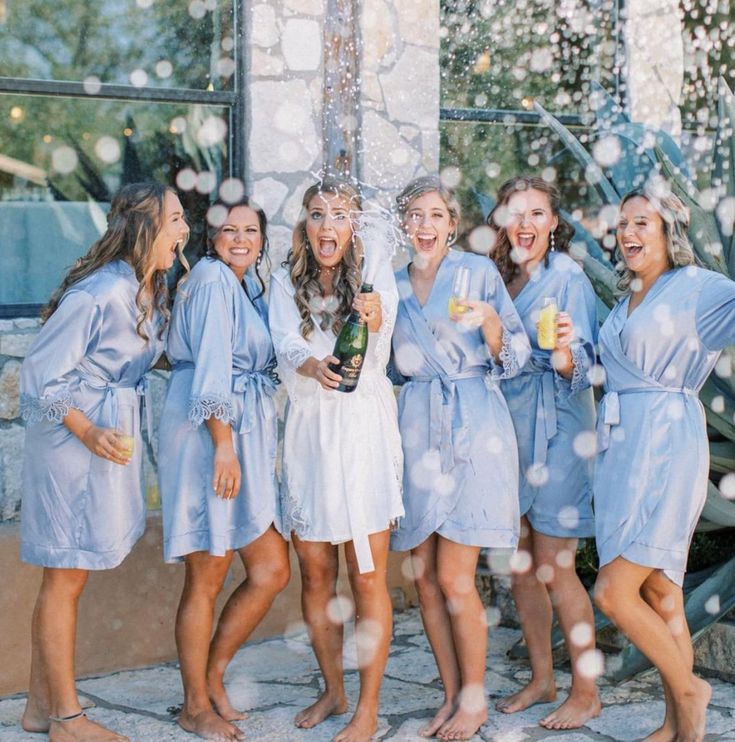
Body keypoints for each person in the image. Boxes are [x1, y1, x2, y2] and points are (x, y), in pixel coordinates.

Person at [19, 182, 188, 742]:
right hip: (72, 445)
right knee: (64, 577)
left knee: (72, 574)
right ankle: (67, 720)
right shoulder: (98, 292)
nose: (184, 232)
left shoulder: (148, 287)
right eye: (175, 220)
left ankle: (40, 709)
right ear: (144, 228)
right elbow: (40, 376)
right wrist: (88, 430)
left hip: (104, 437)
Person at [390, 175, 530, 741]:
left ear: (452, 223)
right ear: (405, 224)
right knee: (423, 576)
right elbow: (392, 368)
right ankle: (451, 695)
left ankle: (475, 699)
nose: (425, 226)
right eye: (415, 215)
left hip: (473, 426)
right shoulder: (390, 285)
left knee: (453, 577)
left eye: (436, 215)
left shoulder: (477, 273)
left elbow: (517, 356)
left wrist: (492, 323)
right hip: (417, 428)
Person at [593, 187, 735, 742]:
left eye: (641, 223)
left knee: (612, 592)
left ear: (668, 230)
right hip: (621, 450)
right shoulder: (627, 296)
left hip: (665, 445)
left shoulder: (698, 288)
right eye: (623, 224)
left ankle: (690, 690)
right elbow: (609, 370)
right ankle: (682, 727)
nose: (628, 234)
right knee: (660, 592)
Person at [268, 177, 404, 742]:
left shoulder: (376, 282)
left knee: (367, 577)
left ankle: (367, 709)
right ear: (305, 224)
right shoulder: (283, 279)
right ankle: (333, 688)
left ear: (354, 228)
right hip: (309, 432)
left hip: (363, 431)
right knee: (316, 573)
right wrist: (311, 366)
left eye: (341, 216)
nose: (329, 226)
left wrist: (374, 316)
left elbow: (382, 346)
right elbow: (286, 344)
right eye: (318, 215)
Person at [158, 197, 290, 741]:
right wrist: (224, 445)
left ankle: (211, 677)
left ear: (262, 238)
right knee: (207, 574)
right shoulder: (212, 281)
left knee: (270, 568)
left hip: (238, 428)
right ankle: (194, 704)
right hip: (209, 433)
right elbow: (213, 364)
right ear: (209, 238)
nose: (240, 239)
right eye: (228, 230)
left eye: (250, 230)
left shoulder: (247, 286)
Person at [487, 176, 601, 729]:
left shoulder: (569, 279)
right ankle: (541, 677)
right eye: (515, 212)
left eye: (537, 213)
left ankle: (586, 691)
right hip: (509, 426)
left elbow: (584, 365)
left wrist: (560, 354)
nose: (525, 223)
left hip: (556, 425)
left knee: (557, 565)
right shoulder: (495, 279)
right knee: (524, 563)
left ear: (555, 223)